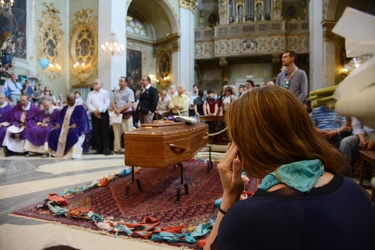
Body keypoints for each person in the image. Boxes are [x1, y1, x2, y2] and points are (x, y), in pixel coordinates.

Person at [205, 86, 375, 249]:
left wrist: (228, 198)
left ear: (248, 145)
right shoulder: (355, 191)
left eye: (235, 138)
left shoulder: (248, 216)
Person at [48, 93, 89, 159]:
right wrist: (58, 123)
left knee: (73, 134)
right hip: (63, 127)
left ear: (75, 99)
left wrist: (76, 124)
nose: (70, 102)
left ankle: (71, 153)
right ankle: (56, 151)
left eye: (72, 100)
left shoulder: (80, 108)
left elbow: (83, 119)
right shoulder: (65, 108)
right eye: (69, 101)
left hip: (76, 127)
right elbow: (60, 118)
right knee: (54, 132)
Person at [86, 79, 111, 155]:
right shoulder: (90, 93)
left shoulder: (105, 93)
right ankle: (99, 148)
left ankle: (106, 148)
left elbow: (107, 103)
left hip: (103, 113)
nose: (94, 85)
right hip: (94, 114)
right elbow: (88, 103)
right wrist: (94, 111)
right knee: (96, 131)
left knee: (105, 131)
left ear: (101, 85)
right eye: (93, 83)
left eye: (96, 83)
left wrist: (99, 110)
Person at [111, 76, 134, 154]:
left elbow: (130, 103)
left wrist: (120, 110)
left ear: (126, 83)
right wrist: (115, 109)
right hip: (117, 114)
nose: (119, 82)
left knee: (127, 132)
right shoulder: (116, 92)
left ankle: (130, 148)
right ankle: (117, 148)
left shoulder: (129, 91)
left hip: (126, 114)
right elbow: (113, 101)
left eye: (121, 81)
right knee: (116, 132)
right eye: (119, 81)